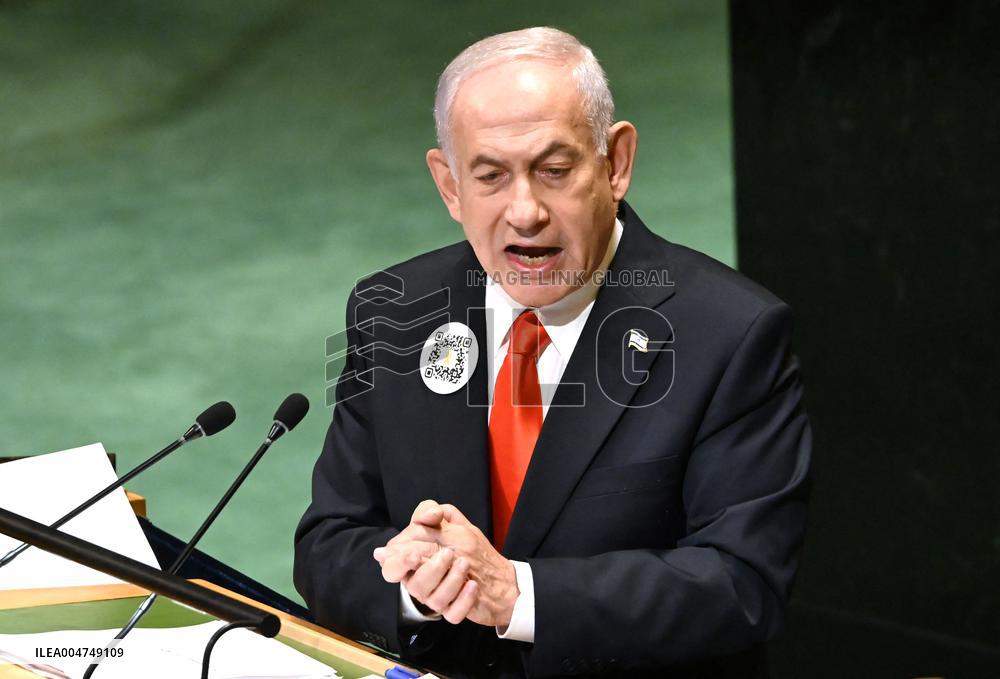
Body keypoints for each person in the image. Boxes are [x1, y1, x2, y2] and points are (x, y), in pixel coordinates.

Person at [294, 27, 811, 679]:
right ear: (449, 185)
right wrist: (424, 589)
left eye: (554, 171)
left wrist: (517, 594)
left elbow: (741, 581)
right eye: (489, 176)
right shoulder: (396, 308)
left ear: (616, 162)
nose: (525, 211)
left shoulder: (730, 332)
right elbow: (329, 543)